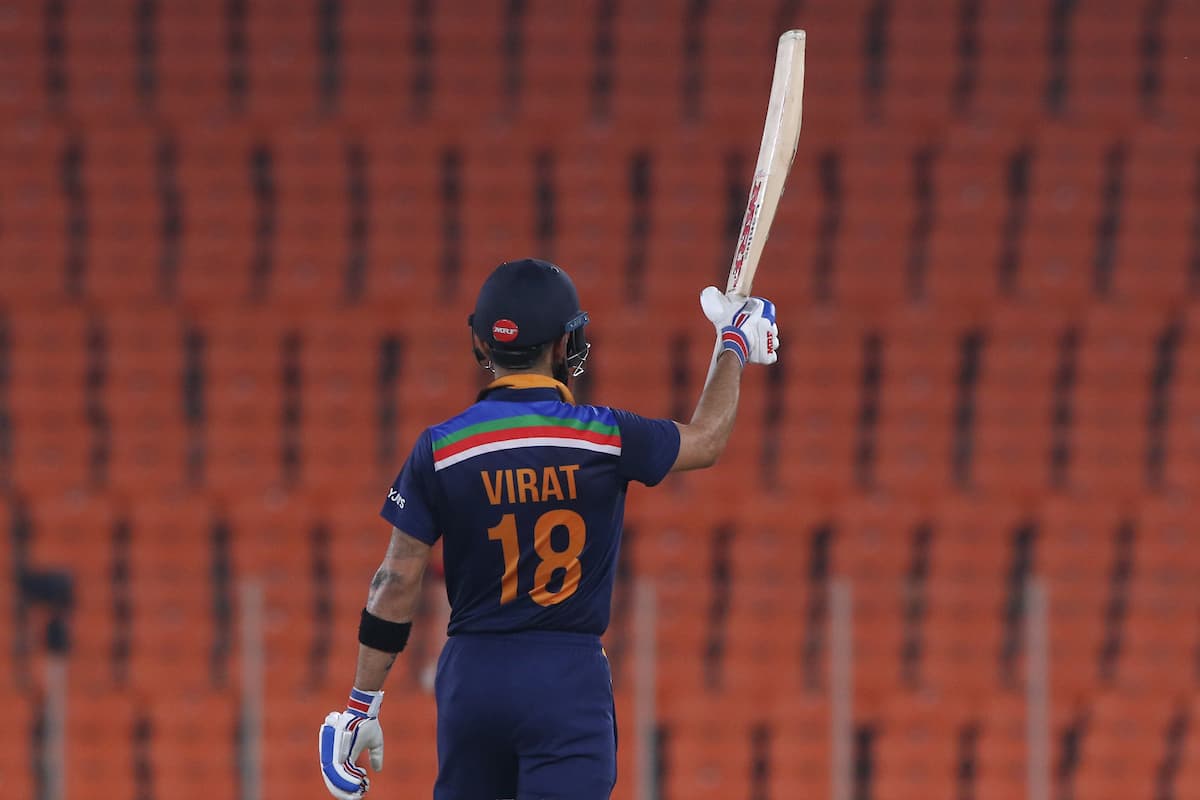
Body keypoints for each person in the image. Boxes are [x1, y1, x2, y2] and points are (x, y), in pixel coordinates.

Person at [319, 258, 779, 800]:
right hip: (567, 678)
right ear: (564, 345)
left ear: (480, 342)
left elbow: (393, 583)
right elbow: (707, 440)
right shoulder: (605, 435)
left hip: (472, 676)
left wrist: (360, 706)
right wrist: (732, 346)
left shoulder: (439, 449)